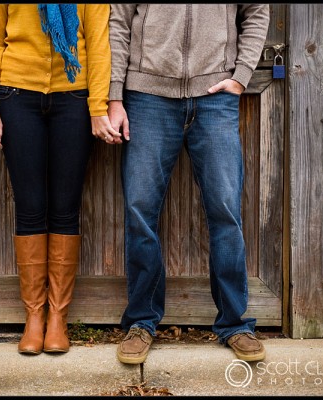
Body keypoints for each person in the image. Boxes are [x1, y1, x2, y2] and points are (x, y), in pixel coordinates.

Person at [107, 4, 270, 363]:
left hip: (215, 97)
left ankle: (234, 323)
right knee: (140, 210)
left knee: (225, 209)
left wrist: (241, 75)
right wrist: (115, 94)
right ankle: (142, 321)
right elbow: (118, 21)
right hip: (146, 96)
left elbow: (257, 12)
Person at [0, 4, 120, 355]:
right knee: (29, 208)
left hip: (73, 96)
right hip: (16, 95)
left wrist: (98, 106)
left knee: (65, 207)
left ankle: (57, 317)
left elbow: (100, 44)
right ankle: (34, 317)